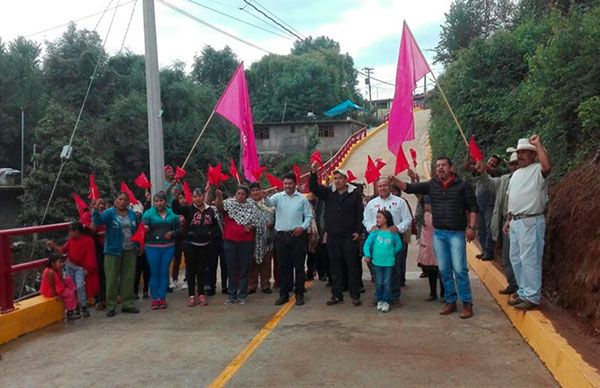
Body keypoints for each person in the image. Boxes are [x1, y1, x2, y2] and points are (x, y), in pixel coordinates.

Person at [391, 156, 478, 319]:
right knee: (444, 270)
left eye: (444, 165)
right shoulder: (432, 185)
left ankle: (467, 303)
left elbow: (473, 208)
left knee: (459, 269)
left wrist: (472, 227)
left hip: (457, 234)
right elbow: (410, 188)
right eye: (438, 166)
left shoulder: (463, 186)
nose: (440, 168)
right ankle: (450, 301)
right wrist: (395, 181)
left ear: (451, 168)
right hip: (439, 234)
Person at [504, 135, 551, 310]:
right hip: (516, 221)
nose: (521, 155)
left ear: (533, 155)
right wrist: (509, 219)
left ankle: (532, 296)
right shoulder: (516, 174)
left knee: (530, 259)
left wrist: (538, 144)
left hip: (531, 221)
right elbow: (512, 199)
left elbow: (547, 166)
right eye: (519, 152)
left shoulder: (538, 169)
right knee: (516, 259)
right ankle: (524, 292)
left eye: (525, 152)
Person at [309, 166, 362, 306]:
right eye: (335, 178)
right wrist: (314, 173)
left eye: (340, 178)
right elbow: (314, 188)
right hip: (333, 236)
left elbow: (359, 214)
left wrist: (358, 231)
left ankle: (355, 295)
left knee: (352, 266)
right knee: (335, 266)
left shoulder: (355, 194)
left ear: (346, 180)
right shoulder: (328, 193)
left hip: (349, 236)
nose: (337, 181)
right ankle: (336, 294)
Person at [474, 152, 520, 295]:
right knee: (508, 255)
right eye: (512, 164)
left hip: (523, 221)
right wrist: (482, 173)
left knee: (523, 257)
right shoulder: (505, 179)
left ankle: (524, 289)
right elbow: (490, 183)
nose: (514, 166)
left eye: (516, 163)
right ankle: (514, 284)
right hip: (507, 222)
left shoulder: (531, 178)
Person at [363, 177, 412, 306]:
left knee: (395, 269)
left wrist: (398, 228)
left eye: (385, 185)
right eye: (380, 186)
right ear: (376, 188)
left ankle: (394, 297)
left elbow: (408, 219)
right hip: (377, 241)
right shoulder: (371, 204)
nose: (382, 188)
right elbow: (365, 219)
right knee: (377, 270)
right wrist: (370, 227)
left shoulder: (400, 202)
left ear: (390, 187)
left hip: (393, 239)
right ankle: (378, 296)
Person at [92, 192, 140, 317]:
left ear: (128, 202)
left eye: (125, 200)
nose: (123, 202)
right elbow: (98, 222)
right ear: (115, 201)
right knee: (112, 279)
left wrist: (139, 245)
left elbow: (137, 230)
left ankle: (127, 304)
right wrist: (95, 210)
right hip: (113, 251)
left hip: (130, 250)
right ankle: (111, 306)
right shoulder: (109, 213)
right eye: (120, 199)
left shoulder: (132, 214)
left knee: (128, 278)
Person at [268, 172, 314, 306]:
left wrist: (302, 227)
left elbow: (309, 216)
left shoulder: (302, 199)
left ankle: (299, 294)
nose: (287, 186)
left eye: (290, 183)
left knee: (299, 267)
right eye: (285, 183)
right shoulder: (277, 197)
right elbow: (268, 204)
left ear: (295, 184)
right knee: (283, 267)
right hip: (281, 237)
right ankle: (284, 294)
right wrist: (263, 196)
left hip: (298, 236)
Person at [172, 187, 220, 307]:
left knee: (202, 270)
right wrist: (175, 198)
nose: (197, 198)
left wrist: (210, 235)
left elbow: (215, 226)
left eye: (199, 196)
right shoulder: (188, 209)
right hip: (190, 244)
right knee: (191, 270)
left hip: (205, 245)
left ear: (204, 196)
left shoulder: (210, 210)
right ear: (192, 198)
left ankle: (201, 294)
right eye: (195, 196)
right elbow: (176, 209)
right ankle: (191, 295)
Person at [216, 185, 262, 305]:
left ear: (247, 196)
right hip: (230, 242)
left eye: (242, 194)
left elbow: (258, 222)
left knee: (244, 269)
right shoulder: (229, 204)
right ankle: (232, 295)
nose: (240, 196)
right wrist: (219, 196)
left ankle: (242, 295)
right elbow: (219, 208)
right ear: (235, 194)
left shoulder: (252, 206)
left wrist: (251, 226)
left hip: (246, 242)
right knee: (232, 269)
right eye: (238, 193)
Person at [47, 222, 98, 318]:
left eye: (71, 231)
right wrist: (54, 247)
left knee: (80, 287)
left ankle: (83, 306)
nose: (69, 234)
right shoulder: (71, 240)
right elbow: (62, 250)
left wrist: (88, 268)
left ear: (77, 232)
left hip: (80, 267)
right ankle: (75, 307)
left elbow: (90, 256)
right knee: (72, 287)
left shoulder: (88, 240)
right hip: (70, 265)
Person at [142, 191, 181, 310]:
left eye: (161, 200)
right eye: (156, 201)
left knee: (164, 272)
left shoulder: (172, 215)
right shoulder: (148, 214)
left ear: (165, 201)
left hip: (168, 247)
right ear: (154, 202)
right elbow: (143, 227)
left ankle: (162, 298)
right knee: (154, 273)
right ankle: (155, 299)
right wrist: (145, 228)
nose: (159, 203)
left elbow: (179, 229)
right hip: (152, 247)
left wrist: (172, 233)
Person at [363, 210, 403, 313]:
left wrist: (392, 252)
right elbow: (367, 244)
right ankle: (379, 300)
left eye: (379, 217)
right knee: (379, 282)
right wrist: (368, 255)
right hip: (377, 262)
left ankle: (386, 301)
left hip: (389, 263)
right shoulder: (375, 232)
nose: (377, 220)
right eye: (377, 217)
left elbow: (399, 245)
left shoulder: (392, 232)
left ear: (386, 219)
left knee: (387, 282)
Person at [467, 155, 501, 261]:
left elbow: (489, 170)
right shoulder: (480, 171)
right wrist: (470, 158)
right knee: (480, 229)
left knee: (488, 228)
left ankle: (489, 252)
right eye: (491, 160)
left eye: (494, 162)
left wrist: (484, 167)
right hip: (479, 204)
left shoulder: (496, 173)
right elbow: (469, 168)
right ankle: (484, 250)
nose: (492, 162)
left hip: (489, 205)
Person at [248, 183, 275, 294]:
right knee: (253, 263)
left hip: (267, 237)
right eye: (253, 190)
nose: (255, 192)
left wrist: (271, 223)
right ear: (250, 193)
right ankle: (252, 285)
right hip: (253, 238)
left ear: (261, 190)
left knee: (266, 262)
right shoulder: (247, 204)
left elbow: (273, 214)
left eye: (257, 190)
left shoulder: (267, 202)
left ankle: (265, 284)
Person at [416, 196, 445, 301]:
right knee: (431, 270)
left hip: (440, 242)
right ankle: (433, 293)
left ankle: (443, 293)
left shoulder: (442, 211)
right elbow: (418, 220)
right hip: (427, 242)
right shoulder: (423, 213)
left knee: (442, 269)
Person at [40, 254, 79, 320]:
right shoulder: (50, 272)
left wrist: (60, 275)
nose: (62, 264)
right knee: (70, 293)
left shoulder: (56, 269)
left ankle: (75, 302)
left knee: (69, 279)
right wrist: (55, 295)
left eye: (62, 262)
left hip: (57, 286)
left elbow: (60, 279)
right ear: (52, 263)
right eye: (60, 262)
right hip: (51, 291)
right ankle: (70, 313)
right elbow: (52, 285)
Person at [170, 192, 187, 291]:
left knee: (188, 260)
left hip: (187, 239)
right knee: (176, 260)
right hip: (177, 239)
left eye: (184, 198)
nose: (183, 200)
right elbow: (174, 205)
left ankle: (187, 280)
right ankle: (175, 280)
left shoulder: (190, 210)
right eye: (180, 198)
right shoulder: (176, 212)